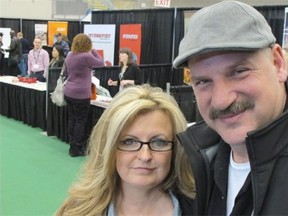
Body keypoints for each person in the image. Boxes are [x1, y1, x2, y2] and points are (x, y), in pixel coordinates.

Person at [173, 1, 288, 215]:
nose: (221, 101)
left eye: (238, 71)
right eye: (203, 81)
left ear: (278, 63)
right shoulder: (195, 161)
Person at [55, 84, 195, 216]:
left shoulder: (202, 209)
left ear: (176, 150)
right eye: (129, 141)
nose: (145, 156)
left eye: (159, 142)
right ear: (108, 148)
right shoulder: (77, 211)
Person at [64, 33, 104, 157]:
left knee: (72, 119)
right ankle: (76, 149)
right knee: (80, 122)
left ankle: (72, 144)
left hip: (69, 91)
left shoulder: (70, 55)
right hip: (81, 94)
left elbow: (66, 71)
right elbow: (101, 62)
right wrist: (94, 51)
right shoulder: (87, 56)